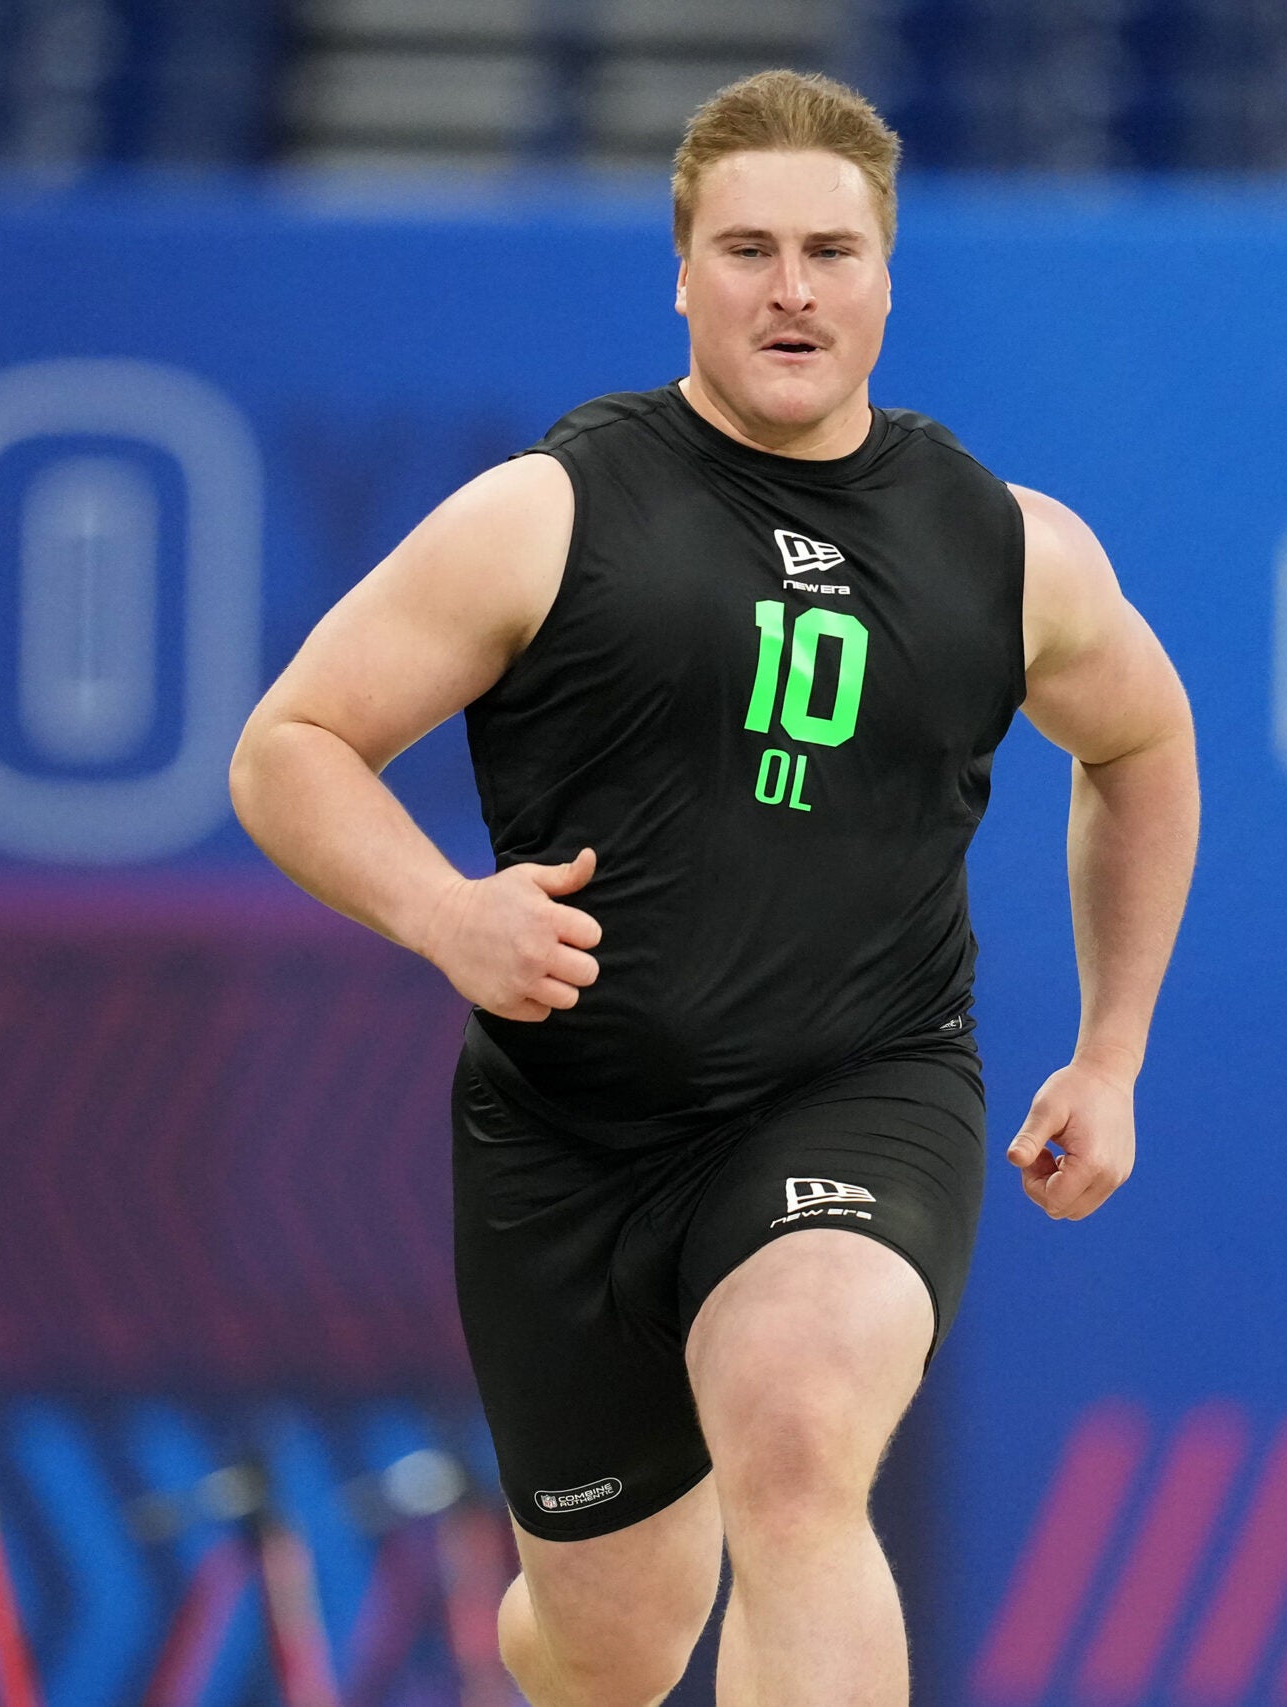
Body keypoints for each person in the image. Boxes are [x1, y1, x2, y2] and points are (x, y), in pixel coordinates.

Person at [230, 68, 1197, 1707]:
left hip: (855, 1093)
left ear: (890, 275)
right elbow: (291, 745)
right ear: (682, 274)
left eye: (832, 249)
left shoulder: (1009, 547)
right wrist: (447, 913)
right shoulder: (549, 512)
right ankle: (548, 1631)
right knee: (610, 1651)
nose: (793, 288)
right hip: (575, 1138)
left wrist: (1112, 1054)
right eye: (748, 248)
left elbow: (1145, 746)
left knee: (801, 1438)